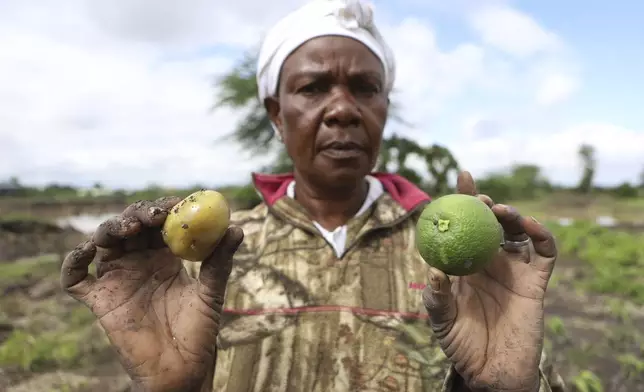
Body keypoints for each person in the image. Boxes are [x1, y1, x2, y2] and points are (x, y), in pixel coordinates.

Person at [60, 0, 567, 391]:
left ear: (385, 110)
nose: (343, 109)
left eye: (365, 88)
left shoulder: (457, 262)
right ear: (276, 114)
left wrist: (508, 385)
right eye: (314, 87)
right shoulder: (208, 256)